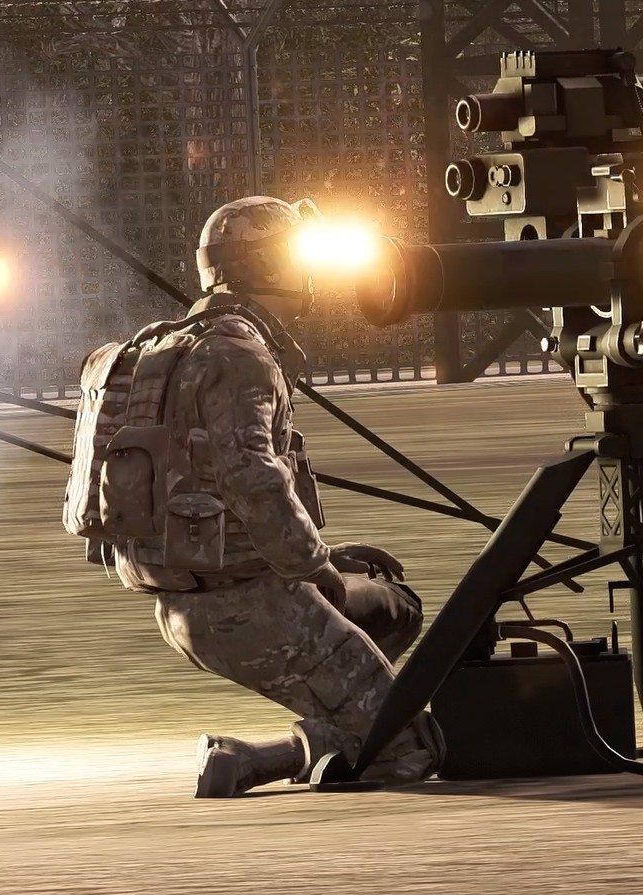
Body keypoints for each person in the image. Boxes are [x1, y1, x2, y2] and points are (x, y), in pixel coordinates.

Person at [63, 195, 444, 798]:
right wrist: (316, 568)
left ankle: (246, 758)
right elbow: (253, 479)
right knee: (410, 747)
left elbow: (209, 486)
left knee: (395, 609)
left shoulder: (165, 348)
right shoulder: (240, 356)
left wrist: (327, 557)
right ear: (270, 265)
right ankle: (274, 762)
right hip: (254, 610)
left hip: (186, 604)